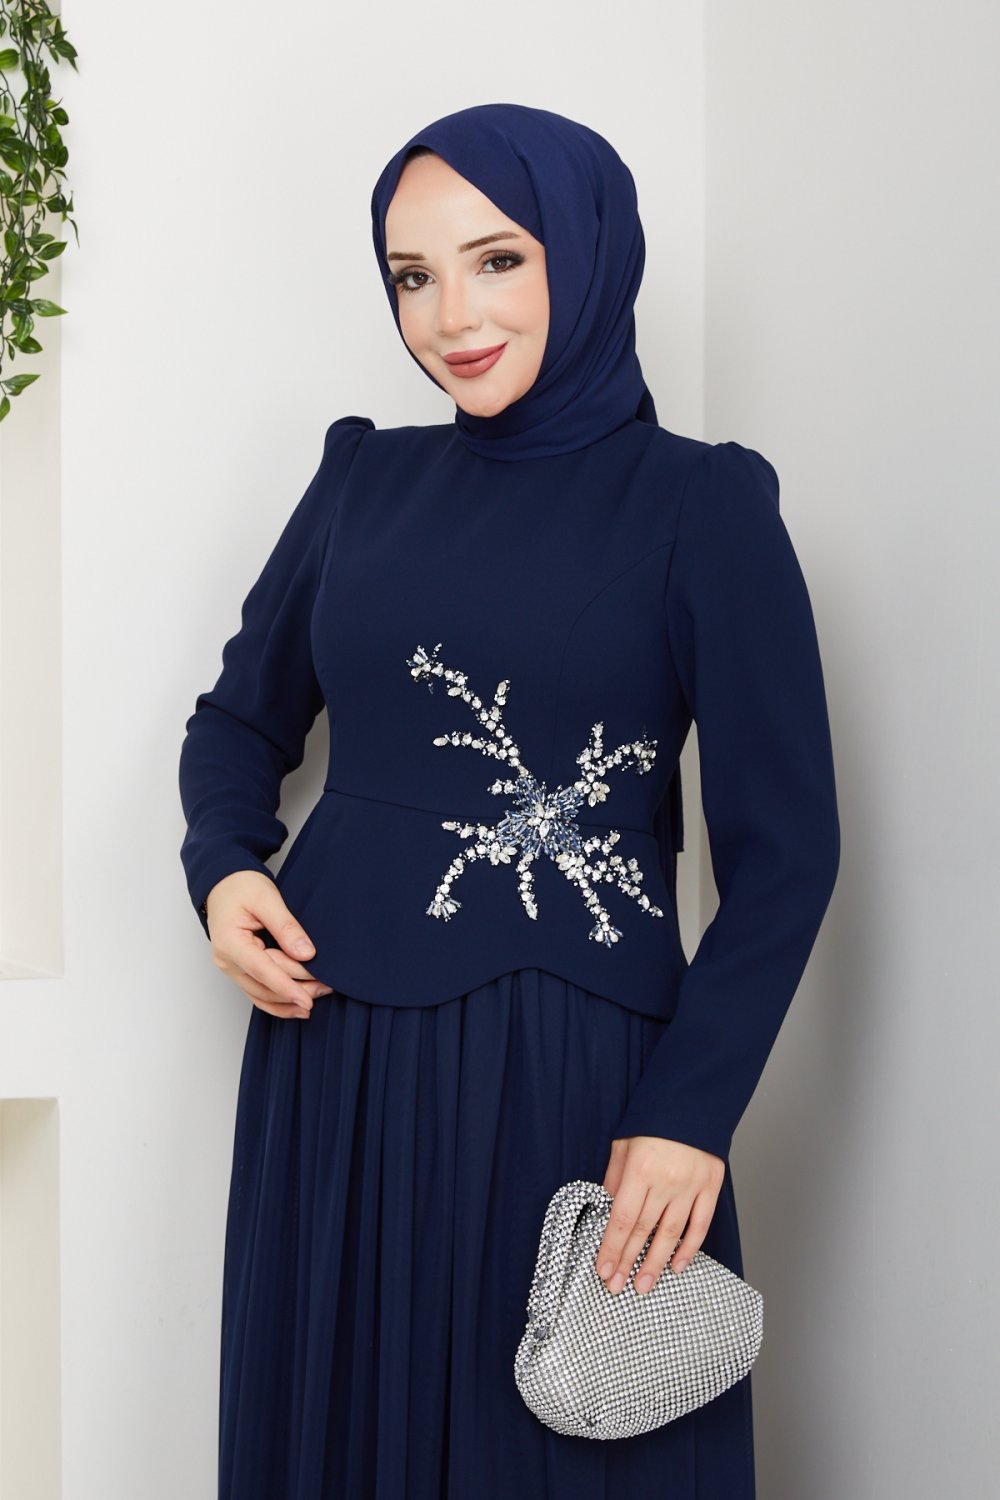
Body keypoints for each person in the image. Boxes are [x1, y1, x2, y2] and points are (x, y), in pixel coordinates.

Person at [178, 102, 840, 1500]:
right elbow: (240, 721)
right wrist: (226, 870)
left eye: (497, 261)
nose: (452, 317)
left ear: (587, 252)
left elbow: (786, 855)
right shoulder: (362, 478)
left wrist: (692, 1112)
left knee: (554, 1448)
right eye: (413, 276)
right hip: (335, 1071)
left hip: (572, 1083)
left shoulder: (703, 505)